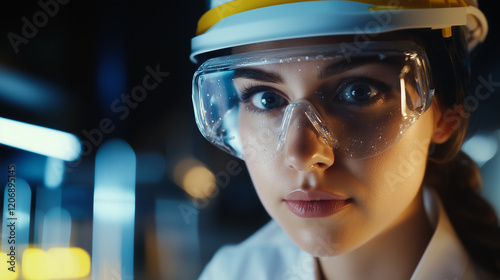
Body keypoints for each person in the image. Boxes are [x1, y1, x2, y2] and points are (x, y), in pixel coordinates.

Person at [190, 0, 500, 279]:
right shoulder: (230, 273)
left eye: (358, 92)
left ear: (445, 115)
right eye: (267, 99)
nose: (302, 154)